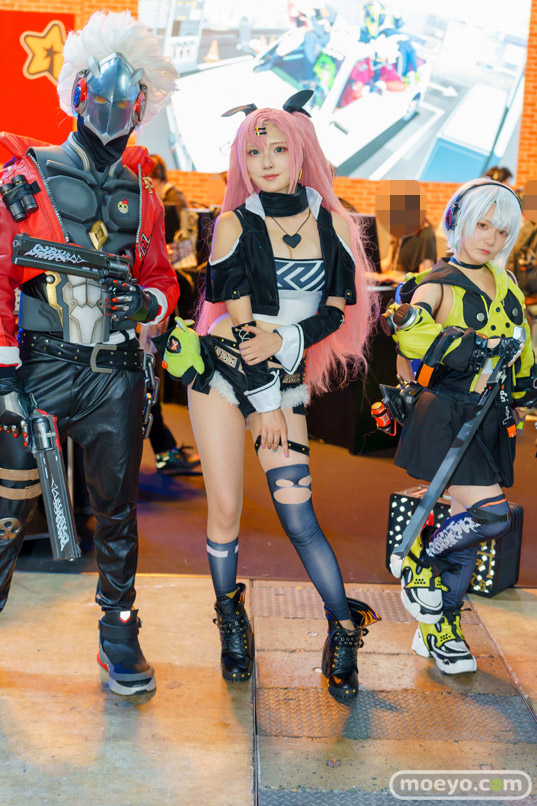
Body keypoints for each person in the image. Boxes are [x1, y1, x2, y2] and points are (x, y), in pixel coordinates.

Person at [0, 11, 179, 695]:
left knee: (117, 512)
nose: (109, 110)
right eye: (98, 96)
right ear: (76, 92)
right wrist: (3, 375)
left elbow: (161, 278)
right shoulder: (28, 175)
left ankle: (119, 632)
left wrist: (146, 305)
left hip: (113, 374)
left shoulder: (144, 195)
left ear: (142, 105)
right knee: (9, 505)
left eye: (124, 101)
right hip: (40, 369)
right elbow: (1, 274)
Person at [185, 94, 379, 701]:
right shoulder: (234, 224)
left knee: (297, 513)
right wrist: (266, 401)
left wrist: (289, 340)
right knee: (225, 509)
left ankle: (343, 628)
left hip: (284, 378)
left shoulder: (333, 224)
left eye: (277, 149)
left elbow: (335, 311)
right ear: (240, 160)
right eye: (253, 151)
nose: (266, 161)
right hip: (224, 376)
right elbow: (241, 322)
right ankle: (231, 619)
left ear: (300, 153)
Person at [386, 179, 537, 674]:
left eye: (501, 230)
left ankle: (438, 627)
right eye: (482, 225)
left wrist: (524, 393)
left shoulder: (506, 281)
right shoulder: (438, 282)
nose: (491, 238)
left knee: (466, 527)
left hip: (491, 418)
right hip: (449, 415)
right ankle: (418, 559)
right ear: (460, 222)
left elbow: (523, 345)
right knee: (491, 517)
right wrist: (474, 346)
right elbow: (410, 334)